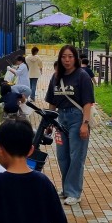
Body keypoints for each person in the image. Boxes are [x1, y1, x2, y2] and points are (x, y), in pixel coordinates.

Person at [44, 44, 95, 205]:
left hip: (77, 118)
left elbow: (87, 102)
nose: (67, 60)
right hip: (61, 119)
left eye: (70, 57)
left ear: (75, 58)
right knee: (62, 156)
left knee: (76, 156)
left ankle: (74, 192)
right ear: (60, 58)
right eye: (64, 57)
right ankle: (67, 188)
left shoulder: (82, 76)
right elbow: (52, 101)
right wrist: (49, 121)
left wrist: (85, 124)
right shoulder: (56, 76)